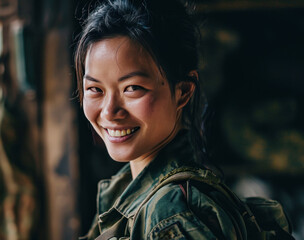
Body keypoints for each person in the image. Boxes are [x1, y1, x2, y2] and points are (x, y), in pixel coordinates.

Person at [74, 0, 293, 239]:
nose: (108, 111)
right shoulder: (133, 192)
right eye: (95, 89)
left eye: (132, 88)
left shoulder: (172, 216)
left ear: (183, 92)